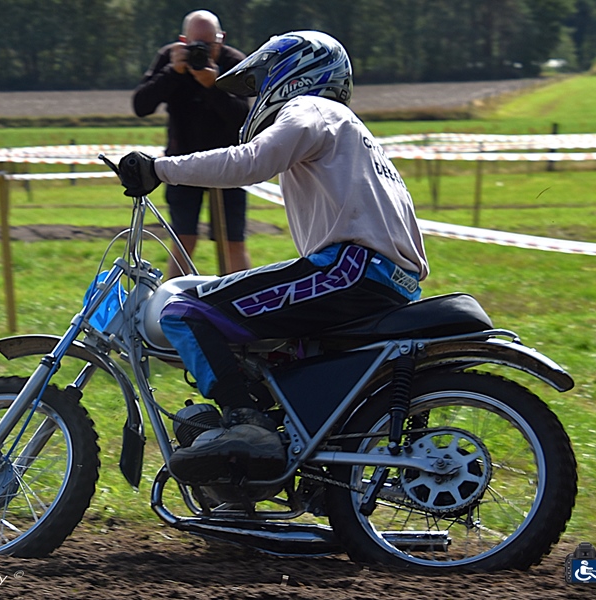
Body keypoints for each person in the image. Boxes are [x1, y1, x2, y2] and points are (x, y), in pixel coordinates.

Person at [119, 31, 429, 484]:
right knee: (272, 352)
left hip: (352, 268)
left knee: (186, 312)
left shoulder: (311, 109)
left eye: (265, 79)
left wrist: (158, 168)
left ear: (295, 74)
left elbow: (250, 162)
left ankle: (244, 424)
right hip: (386, 278)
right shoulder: (351, 132)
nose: (261, 92)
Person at [132, 9, 251, 278]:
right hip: (182, 162)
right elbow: (141, 105)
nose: (203, 52)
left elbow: (243, 118)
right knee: (183, 240)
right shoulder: (170, 58)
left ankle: (244, 299)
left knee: (233, 241)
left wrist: (213, 86)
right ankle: (173, 300)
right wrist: (173, 72)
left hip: (228, 162)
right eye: (196, 45)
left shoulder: (234, 62)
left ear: (221, 39)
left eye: (209, 45)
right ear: (183, 41)